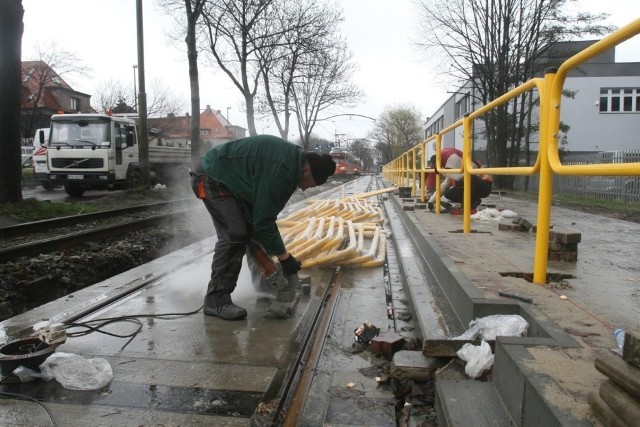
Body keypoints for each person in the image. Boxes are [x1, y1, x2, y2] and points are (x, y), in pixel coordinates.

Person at [191, 135, 336, 320]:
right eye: (310, 184)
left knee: (254, 234)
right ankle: (216, 300)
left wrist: (281, 255)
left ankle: (265, 288)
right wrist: (284, 258)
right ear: (307, 170)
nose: (305, 189)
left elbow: (263, 220)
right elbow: (264, 221)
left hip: (232, 182)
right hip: (212, 176)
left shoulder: (291, 163)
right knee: (235, 234)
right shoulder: (283, 171)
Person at [427, 150, 492, 212]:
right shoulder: (451, 172)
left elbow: (459, 177)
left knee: (469, 177)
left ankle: (467, 206)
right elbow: (443, 187)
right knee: (448, 194)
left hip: (484, 188)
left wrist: (442, 172)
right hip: (473, 189)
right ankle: (473, 201)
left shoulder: (469, 166)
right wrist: (431, 201)